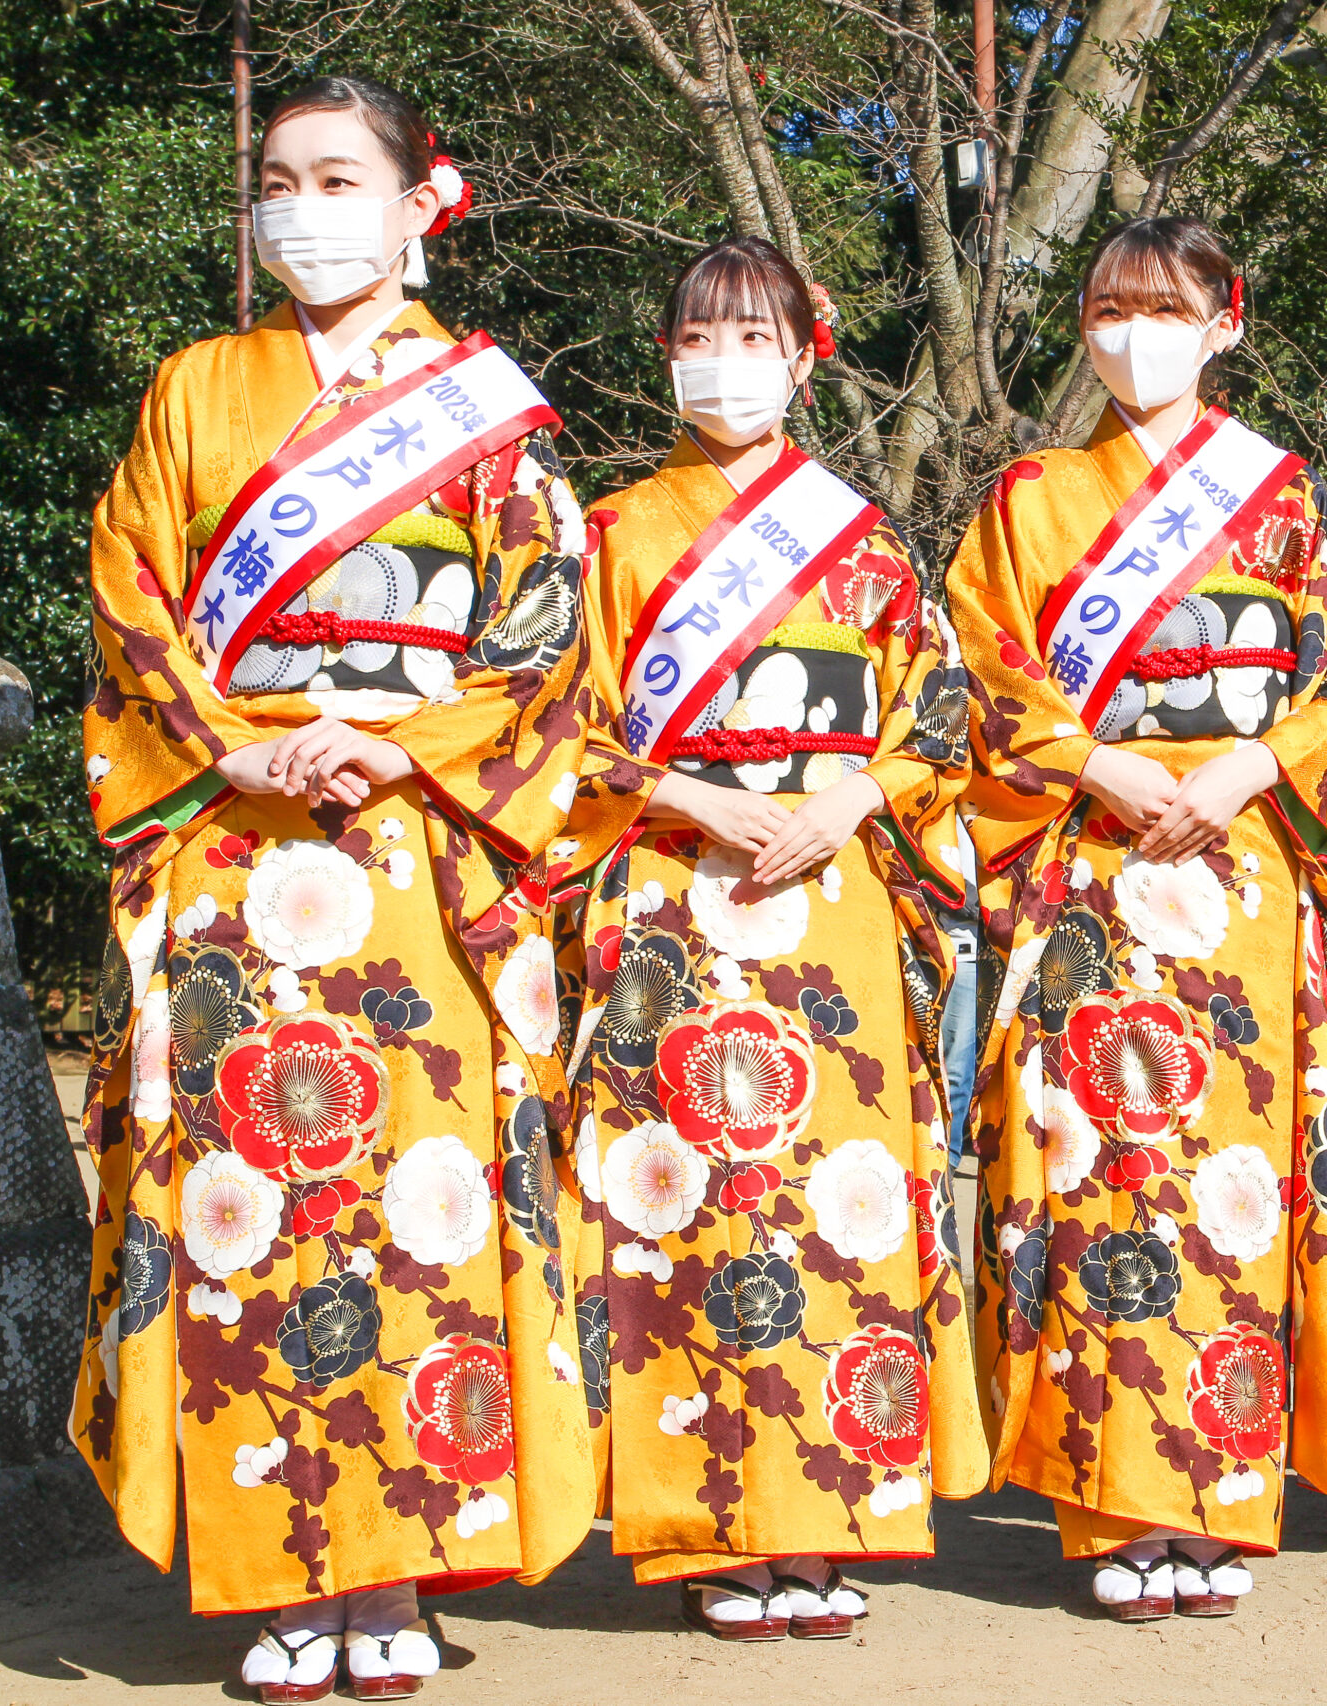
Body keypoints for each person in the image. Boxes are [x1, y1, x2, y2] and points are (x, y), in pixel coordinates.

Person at [77, 75, 599, 1701]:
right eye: (279, 179)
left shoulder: (488, 415)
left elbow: (542, 628)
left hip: (419, 857)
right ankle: (275, 1566)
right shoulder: (194, 390)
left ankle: (397, 1566)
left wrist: (397, 741)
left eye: (339, 177)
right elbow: (131, 588)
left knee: (417, 1207)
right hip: (238, 848)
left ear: (416, 199)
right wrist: (235, 748)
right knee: (252, 1200)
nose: (303, 206)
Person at [950, 216, 1327, 1620]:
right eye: (1107, 306)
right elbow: (982, 667)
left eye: (1166, 305)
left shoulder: (1283, 495)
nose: (1132, 330)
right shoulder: (1028, 496)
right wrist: (1103, 764)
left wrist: (1256, 761)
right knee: (1090, 1173)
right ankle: (1107, 1499)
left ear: (1227, 321)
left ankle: (1225, 1495)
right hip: (1090, 862)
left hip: (1246, 868)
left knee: (1236, 1183)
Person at [558, 236, 985, 1635]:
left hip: (831, 897)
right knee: (681, 1199)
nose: (720, 361)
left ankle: (833, 1509)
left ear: (809, 355)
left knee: (834, 1207)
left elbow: (934, 711)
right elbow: (557, 716)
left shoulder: (865, 540)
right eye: (697, 333)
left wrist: (852, 793)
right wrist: (688, 794)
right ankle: (710, 1520)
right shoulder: (610, 535)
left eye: (753, 337)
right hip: (673, 893)